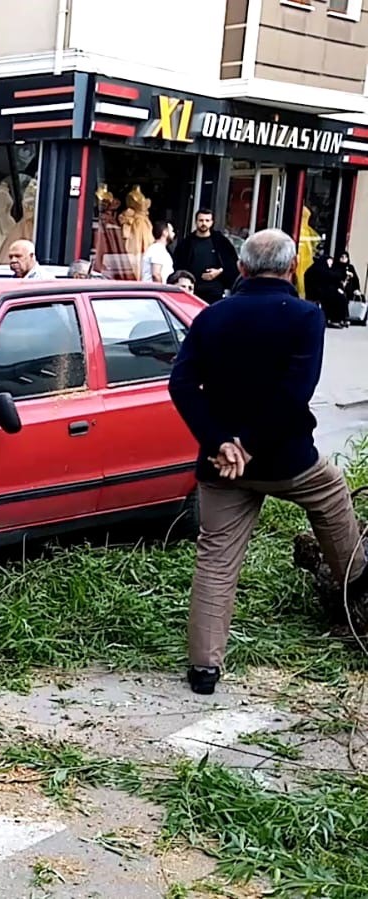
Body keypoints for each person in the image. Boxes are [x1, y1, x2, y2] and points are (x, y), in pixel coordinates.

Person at [168, 228, 367, 696]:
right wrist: (250, 443)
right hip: (285, 461)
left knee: (215, 560)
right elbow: (295, 393)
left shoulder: (211, 316)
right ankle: (354, 577)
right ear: (290, 268)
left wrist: (221, 443)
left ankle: (203, 671)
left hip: (223, 466)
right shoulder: (304, 316)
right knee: (333, 493)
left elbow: (180, 384)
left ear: (241, 268)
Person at [172, 210, 238, 304]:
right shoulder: (186, 244)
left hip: (215, 293)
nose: (204, 223)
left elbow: (233, 264)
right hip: (192, 292)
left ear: (212, 222)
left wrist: (219, 271)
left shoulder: (221, 242)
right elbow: (178, 266)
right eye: (201, 220)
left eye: (207, 220)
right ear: (196, 222)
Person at [303, 252, 347, 328]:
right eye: (329, 263)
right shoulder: (319, 269)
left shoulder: (317, 268)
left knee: (338, 295)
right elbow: (332, 277)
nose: (330, 265)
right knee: (336, 296)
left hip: (318, 291)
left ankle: (337, 318)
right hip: (316, 292)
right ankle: (334, 319)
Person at [339, 251, 362, 324]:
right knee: (343, 297)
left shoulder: (350, 267)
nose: (343, 259)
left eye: (345, 257)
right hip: (341, 288)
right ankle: (345, 317)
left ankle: (359, 318)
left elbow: (356, 279)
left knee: (361, 297)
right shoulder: (337, 267)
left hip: (350, 289)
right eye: (342, 257)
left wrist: (357, 289)